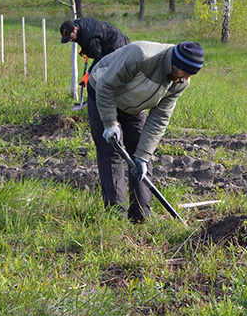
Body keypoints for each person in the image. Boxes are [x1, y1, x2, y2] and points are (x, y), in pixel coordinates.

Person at [87, 40, 204, 222]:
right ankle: (116, 217)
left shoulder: (180, 81)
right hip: (103, 93)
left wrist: (143, 155)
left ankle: (140, 217)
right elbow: (106, 86)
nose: (187, 78)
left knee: (141, 156)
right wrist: (110, 123)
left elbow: (159, 118)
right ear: (176, 64)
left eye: (191, 74)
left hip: (135, 108)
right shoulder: (141, 55)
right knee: (112, 153)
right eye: (186, 72)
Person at [59, 17, 130, 73]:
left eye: (71, 37)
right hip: (109, 41)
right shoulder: (78, 24)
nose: (71, 40)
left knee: (104, 77)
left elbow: (99, 58)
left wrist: (89, 73)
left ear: (76, 29)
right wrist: (85, 49)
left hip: (118, 45)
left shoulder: (90, 38)